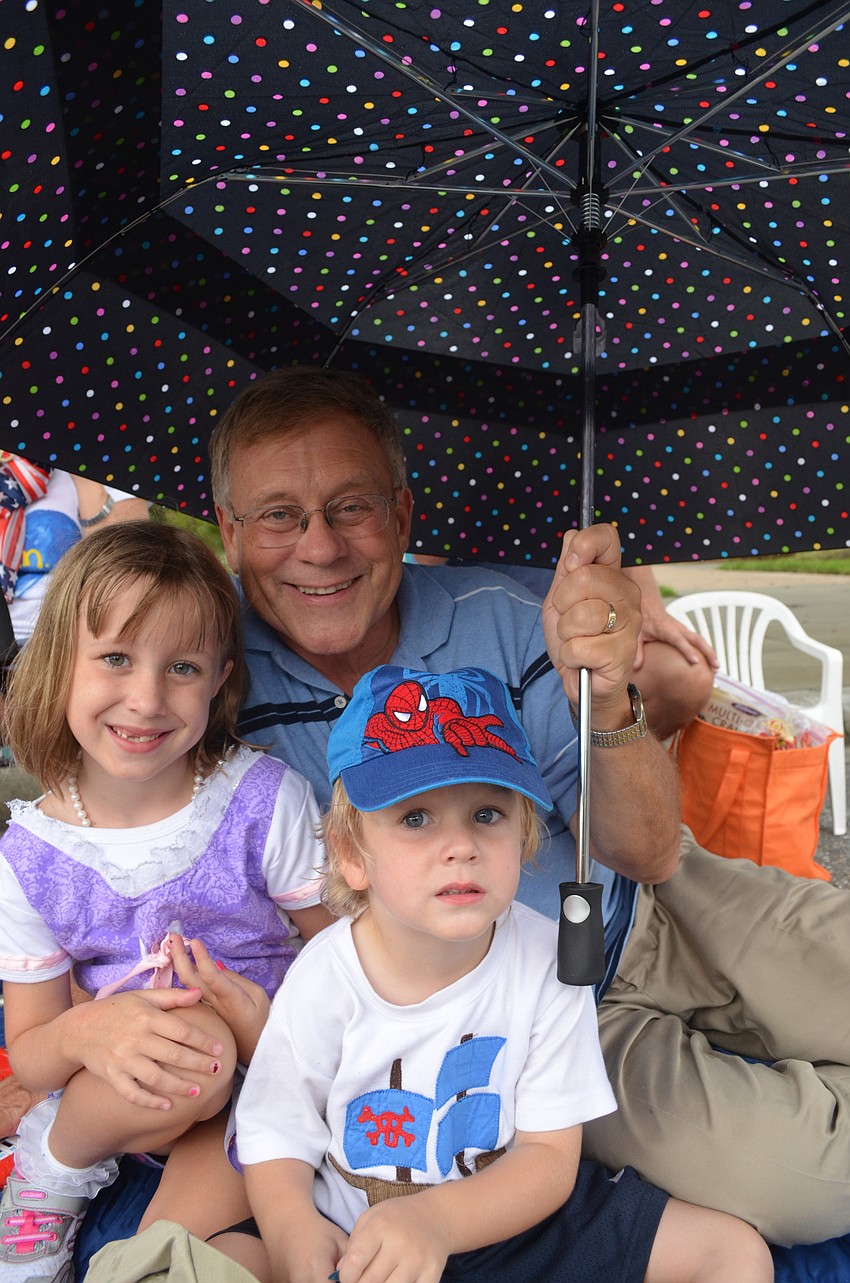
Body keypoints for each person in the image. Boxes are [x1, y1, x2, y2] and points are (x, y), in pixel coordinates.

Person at [209, 365, 850, 1247]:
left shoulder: (514, 611)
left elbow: (648, 852)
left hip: (665, 901)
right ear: (228, 532)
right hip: (543, 1015)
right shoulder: (204, 680)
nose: (319, 547)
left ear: (401, 516)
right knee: (815, 1182)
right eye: (279, 514)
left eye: (351, 507)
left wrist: (612, 692)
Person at [232, 663, 772, 1283]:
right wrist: (293, 1230)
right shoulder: (325, 976)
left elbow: (547, 1157)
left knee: (733, 1253)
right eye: (416, 818)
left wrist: (438, 1221)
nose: (460, 845)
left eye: (487, 814)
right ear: (352, 855)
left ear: (524, 836)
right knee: (232, 1258)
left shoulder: (551, 961)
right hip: (359, 1238)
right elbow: (276, 1133)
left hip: (506, 1220)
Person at [0, 520, 332, 1280]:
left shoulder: (260, 799)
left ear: (218, 677)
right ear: (60, 664)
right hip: (118, 1089)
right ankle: (50, 1170)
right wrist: (91, 1031)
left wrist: (269, 1030)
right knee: (191, 1055)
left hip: (260, 1072)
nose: (146, 698)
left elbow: (343, 947)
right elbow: (34, 1047)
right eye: (116, 658)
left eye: (181, 666)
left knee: (159, 1254)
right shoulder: (31, 856)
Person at [411, 556, 718, 741]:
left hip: (580, 622)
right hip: (482, 624)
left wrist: (646, 604)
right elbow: (428, 557)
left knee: (686, 676)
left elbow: (621, 510)